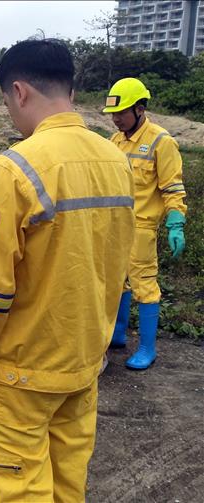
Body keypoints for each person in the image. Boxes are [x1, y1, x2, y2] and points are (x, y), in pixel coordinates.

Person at [0, 39, 135, 502]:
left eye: (6, 102)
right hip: (82, 364)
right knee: (68, 485)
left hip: (22, 375)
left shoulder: (13, 170)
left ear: (19, 91)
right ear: (69, 90)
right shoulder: (117, 160)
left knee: (24, 491)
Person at [103, 77, 187, 370]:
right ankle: (117, 334)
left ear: (140, 108)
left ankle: (148, 348)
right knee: (117, 281)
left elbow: (173, 188)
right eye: (113, 114)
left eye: (121, 113)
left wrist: (176, 223)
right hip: (115, 224)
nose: (115, 120)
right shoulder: (115, 141)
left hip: (141, 227)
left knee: (144, 286)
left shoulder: (161, 141)